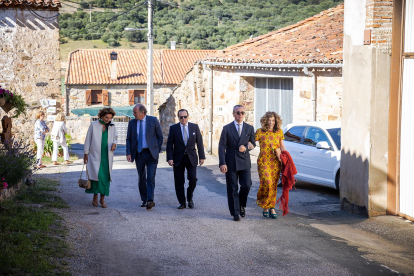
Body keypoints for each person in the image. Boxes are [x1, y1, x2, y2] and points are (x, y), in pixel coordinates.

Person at [218, 105, 255, 221]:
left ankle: (241, 204)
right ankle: (235, 212)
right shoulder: (227, 128)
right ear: (233, 114)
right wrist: (222, 163)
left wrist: (248, 147)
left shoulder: (249, 128)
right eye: (238, 112)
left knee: (246, 185)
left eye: (242, 113)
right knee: (232, 187)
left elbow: (253, 143)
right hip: (231, 162)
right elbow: (221, 147)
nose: (240, 115)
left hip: (244, 161)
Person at [166, 109, 206, 209]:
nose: (183, 119)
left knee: (193, 178)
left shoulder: (194, 127)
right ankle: (182, 202)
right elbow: (169, 144)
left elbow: (199, 142)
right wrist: (169, 158)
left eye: (185, 117)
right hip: (178, 158)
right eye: (181, 117)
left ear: (188, 117)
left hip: (191, 157)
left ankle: (189, 197)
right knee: (179, 181)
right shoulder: (173, 128)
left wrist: (201, 156)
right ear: (178, 118)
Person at [126, 104, 163, 210]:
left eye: (135, 112)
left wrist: (157, 149)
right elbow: (128, 139)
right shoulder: (132, 123)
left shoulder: (153, 120)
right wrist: (129, 153)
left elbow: (160, 136)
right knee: (142, 177)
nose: (133, 114)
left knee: (150, 177)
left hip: (151, 154)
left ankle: (150, 200)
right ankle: (144, 199)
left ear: (142, 112)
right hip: (139, 154)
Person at [84, 108, 118, 208]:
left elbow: (115, 137)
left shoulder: (112, 127)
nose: (108, 120)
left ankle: (102, 199)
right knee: (96, 177)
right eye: (106, 117)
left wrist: (114, 144)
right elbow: (87, 140)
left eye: (110, 118)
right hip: (95, 155)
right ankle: (95, 196)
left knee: (105, 178)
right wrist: (86, 154)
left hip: (107, 157)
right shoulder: (93, 125)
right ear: (102, 116)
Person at [255, 111, 286, 219]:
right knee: (267, 183)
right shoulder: (259, 132)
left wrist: (285, 156)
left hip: (276, 162)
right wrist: (246, 146)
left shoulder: (279, 132)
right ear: (265, 121)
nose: (271, 122)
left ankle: (270, 207)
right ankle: (266, 206)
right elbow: (251, 142)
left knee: (273, 185)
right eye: (269, 120)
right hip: (263, 162)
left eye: (273, 120)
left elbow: (282, 146)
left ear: (276, 121)